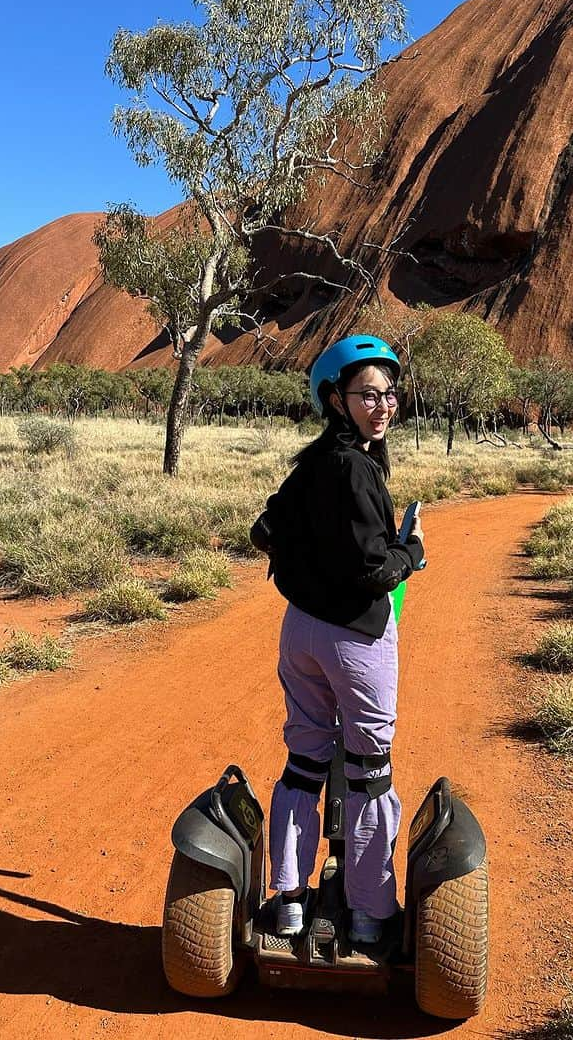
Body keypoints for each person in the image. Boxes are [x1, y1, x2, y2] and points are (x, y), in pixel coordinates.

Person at [249, 335, 425, 945]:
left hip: (300, 633)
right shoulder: (355, 467)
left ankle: (291, 902)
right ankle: (372, 914)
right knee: (370, 768)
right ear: (335, 398)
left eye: (390, 395)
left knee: (304, 762)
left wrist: (312, 564)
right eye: (368, 394)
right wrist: (412, 550)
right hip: (357, 637)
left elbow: (263, 529)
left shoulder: (311, 463)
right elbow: (375, 571)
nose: (383, 406)